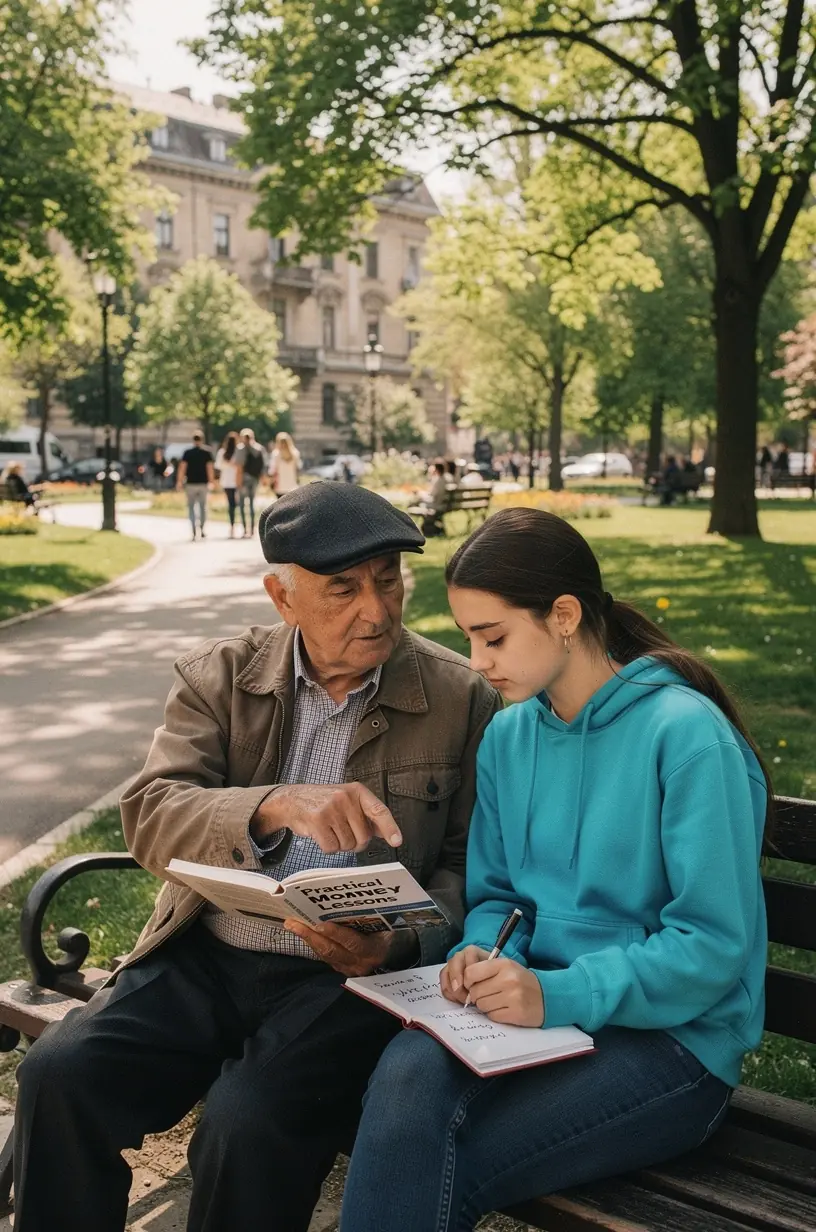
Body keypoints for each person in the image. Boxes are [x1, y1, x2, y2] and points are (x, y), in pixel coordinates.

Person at [13, 481, 501, 1232]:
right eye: (343, 589)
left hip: (347, 984)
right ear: (283, 598)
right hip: (205, 954)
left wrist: (396, 943)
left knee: (247, 1120)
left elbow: (472, 868)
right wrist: (273, 804)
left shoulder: (460, 697)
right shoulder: (218, 676)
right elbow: (151, 813)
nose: (376, 611)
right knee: (60, 1074)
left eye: (388, 581)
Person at [341, 506, 770, 1232]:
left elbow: (711, 946)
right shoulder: (508, 736)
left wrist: (555, 993)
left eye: (494, 636)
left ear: (564, 615)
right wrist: (488, 955)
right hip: (536, 1016)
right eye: (469, 637)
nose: (477, 661)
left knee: (438, 1164)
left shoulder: (687, 736)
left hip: (674, 1042)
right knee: (407, 1074)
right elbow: (499, 897)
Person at [176, 433, 215, 541]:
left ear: (193, 440)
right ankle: (201, 529)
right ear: (202, 440)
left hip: (191, 483)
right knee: (203, 507)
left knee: (191, 508)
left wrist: (179, 481)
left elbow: (182, 468)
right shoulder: (207, 452)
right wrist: (212, 481)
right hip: (203, 483)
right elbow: (210, 468)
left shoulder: (187, 453)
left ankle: (193, 529)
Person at [236, 428, 266, 537]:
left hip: (244, 479)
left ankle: (245, 529)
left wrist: (238, 482)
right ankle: (252, 529)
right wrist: (263, 479)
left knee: (242, 505)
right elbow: (263, 465)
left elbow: (239, 467)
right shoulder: (259, 448)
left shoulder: (240, 449)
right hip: (254, 479)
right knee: (252, 504)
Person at [215, 430, 244, 538]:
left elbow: (218, 466)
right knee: (238, 504)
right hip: (237, 481)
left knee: (231, 504)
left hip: (226, 481)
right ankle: (242, 526)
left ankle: (232, 527)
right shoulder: (238, 451)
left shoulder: (222, 452)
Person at [419, 460, 450, 537]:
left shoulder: (439, 480)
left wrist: (421, 495)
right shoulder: (445, 479)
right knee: (422, 501)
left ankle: (426, 528)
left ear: (436, 469)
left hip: (437, 505)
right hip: (443, 505)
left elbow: (432, 494)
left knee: (419, 502)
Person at [268, 430, 302, 496]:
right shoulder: (295, 453)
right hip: (292, 485)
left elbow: (272, 470)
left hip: (280, 485)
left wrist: (271, 480)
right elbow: (298, 467)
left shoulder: (276, 454)